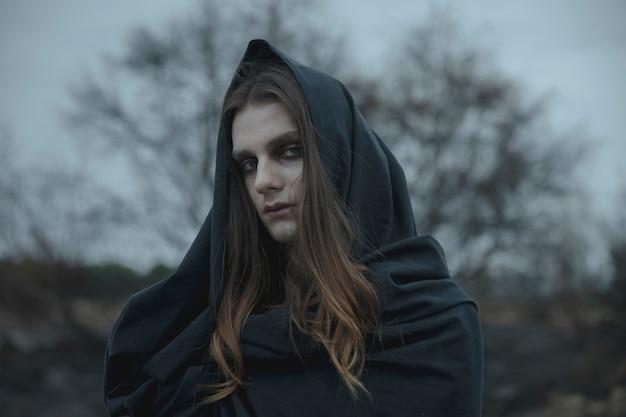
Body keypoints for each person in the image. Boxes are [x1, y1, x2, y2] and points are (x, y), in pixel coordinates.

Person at [104, 39, 484, 417]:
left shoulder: (432, 325)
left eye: (290, 151)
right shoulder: (219, 337)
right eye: (248, 163)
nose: (263, 181)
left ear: (340, 160)